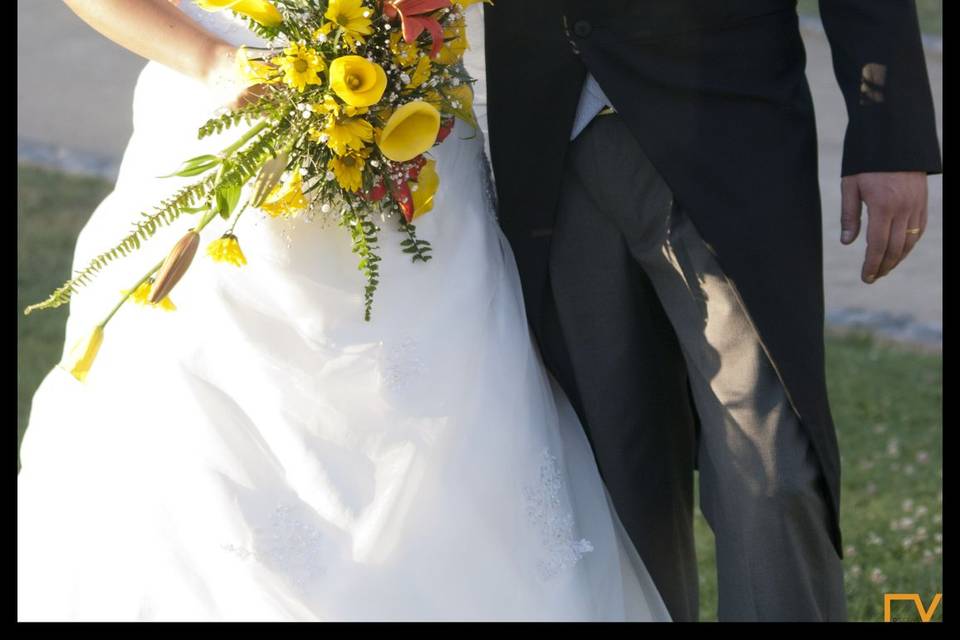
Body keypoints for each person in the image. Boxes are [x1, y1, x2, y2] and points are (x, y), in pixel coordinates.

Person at [17, 0, 671, 621]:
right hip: (218, 112)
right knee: (194, 410)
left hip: (412, 129)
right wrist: (213, 60)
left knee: (453, 412)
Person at [484, 0, 942, 622]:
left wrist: (888, 133)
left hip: (727, 118)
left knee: (773, 463)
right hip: (543, 134)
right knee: (609, 485)